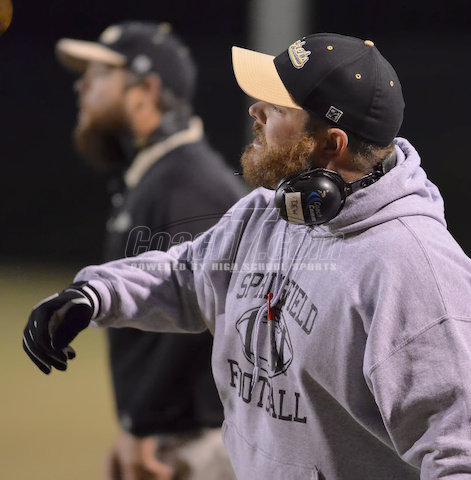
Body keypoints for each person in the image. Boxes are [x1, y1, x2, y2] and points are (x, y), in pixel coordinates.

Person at [23, 32, 471, 479]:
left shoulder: (414, 269)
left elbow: (457, 455)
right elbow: (188, 277)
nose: (256, 110)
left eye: (277, 108)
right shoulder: (272, 211)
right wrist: (95, 294)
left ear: (331, 143)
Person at [54, 21, 243, 480]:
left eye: (100, 74)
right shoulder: (163, 173)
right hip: (180, 434)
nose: (82, 86)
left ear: (145, 91)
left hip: (199, 440)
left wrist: (143, 426)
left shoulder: (187, 183)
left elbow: (203, 316)